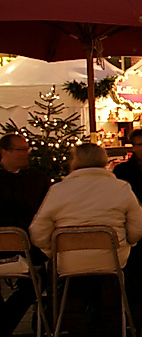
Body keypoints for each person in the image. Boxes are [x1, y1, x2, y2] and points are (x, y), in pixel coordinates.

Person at [30, 144, 142, 333]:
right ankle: (119, 323)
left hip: (69, 262)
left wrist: (53, 251)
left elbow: (37, 231)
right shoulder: (120, 188)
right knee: (135, 272)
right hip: (112, 260)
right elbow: (139, 227)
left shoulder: (58, 190)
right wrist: (128, 243)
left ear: (75, 161)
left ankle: (69, 323)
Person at [0, 134, 50, 336]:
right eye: (21, 149)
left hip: (31, 245)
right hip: (12, 243)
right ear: (4, 152)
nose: (27, 153)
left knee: (38, 280)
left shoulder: (38, 179)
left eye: (27, 148)